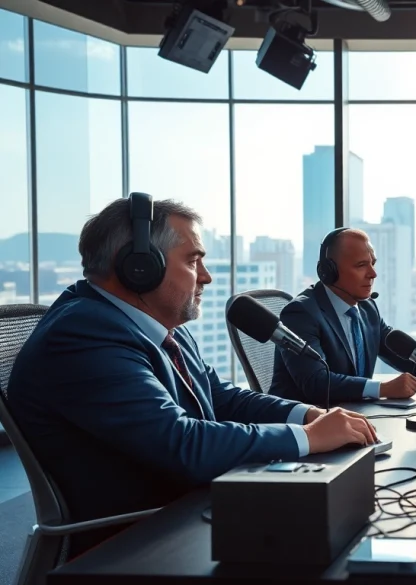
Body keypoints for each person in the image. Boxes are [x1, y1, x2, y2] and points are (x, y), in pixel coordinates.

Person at [6, 194, 376, 558]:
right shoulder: (83, 335)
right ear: (139, 267)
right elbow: (181, 443)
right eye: (193, 261)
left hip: (188, 508)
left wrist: (306, 415)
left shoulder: (157, 324)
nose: (206, 277)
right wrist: (309, 438)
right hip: (138, 541)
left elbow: (219, 396)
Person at [270, 227, 416, 405]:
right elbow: (316, 383)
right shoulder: (301, 314)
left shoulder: (367, 308)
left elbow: (393, 348)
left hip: (356, 416)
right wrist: (382, 388)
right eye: (361, 265)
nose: (373, 274)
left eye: (373, 263)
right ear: (328, 272)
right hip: (305, 423)